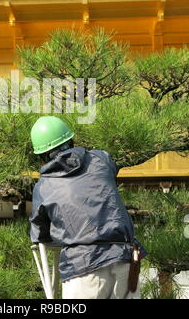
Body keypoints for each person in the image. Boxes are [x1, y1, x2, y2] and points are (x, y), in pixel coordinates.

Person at [29, 116, 147, 299]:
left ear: (43, 155)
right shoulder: (101, 159)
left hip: (83, 267)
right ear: (71, 140)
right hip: (124, 258)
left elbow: (39, 233)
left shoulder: (44, 186)